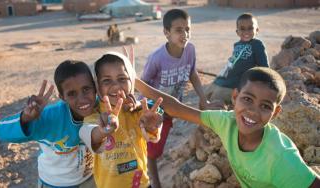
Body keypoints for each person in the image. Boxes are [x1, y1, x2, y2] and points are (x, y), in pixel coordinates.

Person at [135, 67, 320, 188]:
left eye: (265, 106)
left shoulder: (281, 157)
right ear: (234, 97)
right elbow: (177, 108)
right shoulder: (226, 122)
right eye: (247, 99)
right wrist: (135, 82)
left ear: (276, 112)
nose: (253, 112)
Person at [0, 60, 97, 188]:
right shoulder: (49, 117)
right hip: (54, 183)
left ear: (95, 88)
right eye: (72, 94)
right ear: (62, 97)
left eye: (86, 89)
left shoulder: (101, 106)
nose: (82, 99)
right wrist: (26, 118)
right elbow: (1, 131)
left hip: (89, 180)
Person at [140, 9, 210, 188]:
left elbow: (193, 73)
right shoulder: (157, 58)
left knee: (157, 146)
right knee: (153, 152)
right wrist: (144, 111)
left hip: (173, 109)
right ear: (166, 33)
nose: (185, 34)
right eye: (179, 30)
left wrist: (203, 98)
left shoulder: (190, 50)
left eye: (187, 29)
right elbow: (143, 83)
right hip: (156, 110)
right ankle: (155, 183)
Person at [80, 52, 164, 188]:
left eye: (122, 79)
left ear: (131, 80)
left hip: (141, 184)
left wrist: (151, 126)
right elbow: (90, 134)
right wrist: (103, 131)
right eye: (106, 80)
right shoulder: (95, 116)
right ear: (97, 86)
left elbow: (152, 137)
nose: (116, 86)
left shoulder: (138, 112)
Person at [205, 13, 269, 107]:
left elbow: (264, 67)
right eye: (242, 29)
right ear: (237, 32)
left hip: (234, 85)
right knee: (204, 97)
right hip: (223, 80)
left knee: (216, 103)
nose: (246, 31)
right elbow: (232, 63)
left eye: (250, 28)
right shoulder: (237, 45)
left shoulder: (257, 44)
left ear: (257, 30)